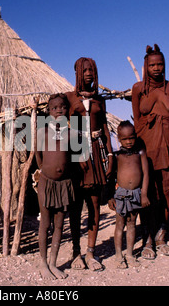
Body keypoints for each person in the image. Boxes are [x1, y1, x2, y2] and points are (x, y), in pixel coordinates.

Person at [131, 44, 169, 258]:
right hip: (147, 148)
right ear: (145, 66)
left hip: (168, 147)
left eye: (160, 64)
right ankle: (147, 239)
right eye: (152, 65)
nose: (157, 68)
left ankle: (161, 235)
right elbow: (138, 118)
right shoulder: (138, 89)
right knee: (148, 193)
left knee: (165, 193)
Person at [66, 57, 113, 271]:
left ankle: (91, 252)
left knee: (94, 205)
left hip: (96, 152)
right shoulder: (68, 98)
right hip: (77, 154)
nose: (89, 74)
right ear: (77, 72)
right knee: (75, 207)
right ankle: (76, 253)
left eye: (92, 70)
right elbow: (59, 125)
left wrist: (110, 155)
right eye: (85, 70)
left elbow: (104, 127)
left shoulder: (99, 101)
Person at [35, 93, 76, 279]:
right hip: (46, 182)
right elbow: (39, 157)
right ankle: (43, 263)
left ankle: (53, 262)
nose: (59, 110)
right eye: (54, 108)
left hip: (64, 184)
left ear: (68, 110)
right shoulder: (42, 132)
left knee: (59, 225)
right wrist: (46, 172)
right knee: (45, 223)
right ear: (48, 112)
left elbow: (73, 158)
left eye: (62, 107)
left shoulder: (72, 133)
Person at [108, 121, 150, 268]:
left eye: (131, 138)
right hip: (121, 194)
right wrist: (110, 196)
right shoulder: (117, 156)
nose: (129, 141)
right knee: (120, 224)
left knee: (132, 224)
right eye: (125, 139)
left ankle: (130, 254)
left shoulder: (140, 153)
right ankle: (119, 255)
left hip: (136, 194)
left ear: (135, 136)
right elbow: (110, 177)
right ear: (119, 139)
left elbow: (146, 174)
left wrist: (144, 194)